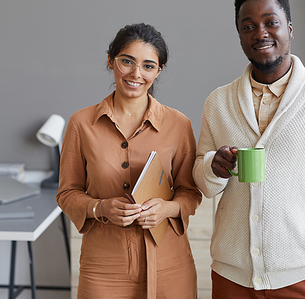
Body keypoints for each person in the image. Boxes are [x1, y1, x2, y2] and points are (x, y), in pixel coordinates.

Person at [193, 0, 305, 298]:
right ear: (241, 36)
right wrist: (214, 167)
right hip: (231, 277)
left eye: (271, 22)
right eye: (248, 26)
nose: (261, 33)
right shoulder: (218, 102)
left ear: (290, 29)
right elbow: (202, 179)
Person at [57, 23, 202, 299]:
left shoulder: (179, 124)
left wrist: (168, 209)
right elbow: (66, 194)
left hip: (169, 264)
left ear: (158, 71)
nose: (136, 74)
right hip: (102, 266)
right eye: (127, 62)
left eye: (148, 66)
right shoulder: (80, 124)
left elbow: (191, 193)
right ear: (111, 60)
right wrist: (100, 207)